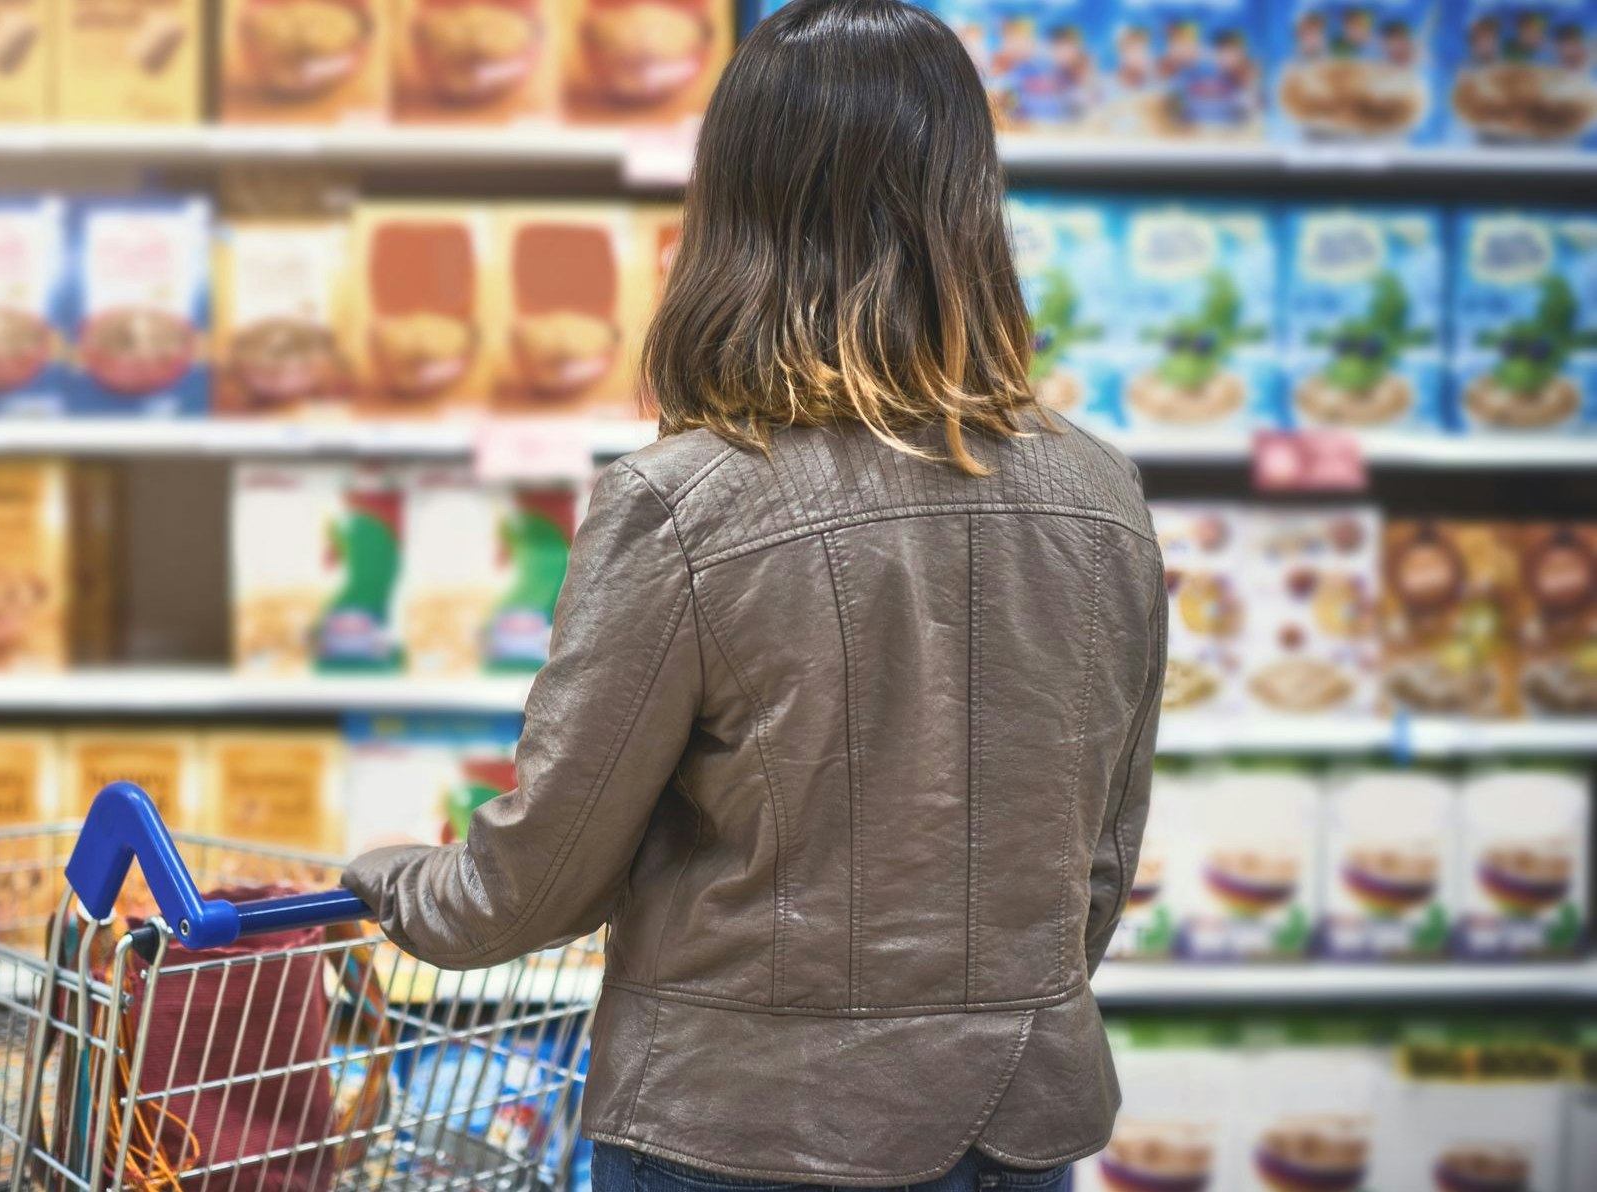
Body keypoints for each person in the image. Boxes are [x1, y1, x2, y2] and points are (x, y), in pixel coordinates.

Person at [341, 2, 1166, 1190]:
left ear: (732, 207)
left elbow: (535, 883)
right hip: (1020, 1118)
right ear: (970, 207)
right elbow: (1097, 859)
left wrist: (386, 881)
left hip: (745, 1127)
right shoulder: (1100, 492)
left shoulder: (686, 501)